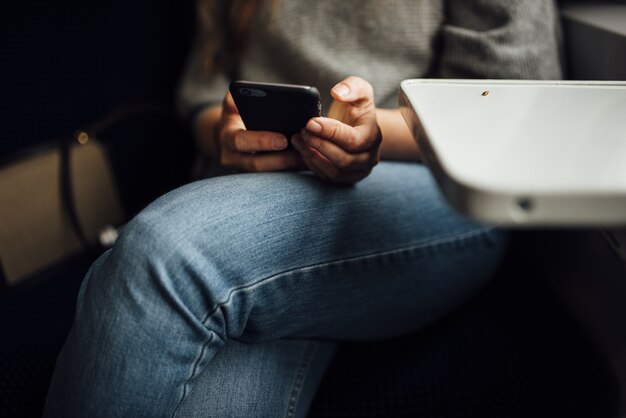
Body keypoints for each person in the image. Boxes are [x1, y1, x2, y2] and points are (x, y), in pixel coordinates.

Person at [44, 1, 562, 416]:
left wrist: (375, 132)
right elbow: (203, 91)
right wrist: (225, 131)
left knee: (165, 249)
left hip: (433, 183)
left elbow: (511, 102)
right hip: (252, 191)